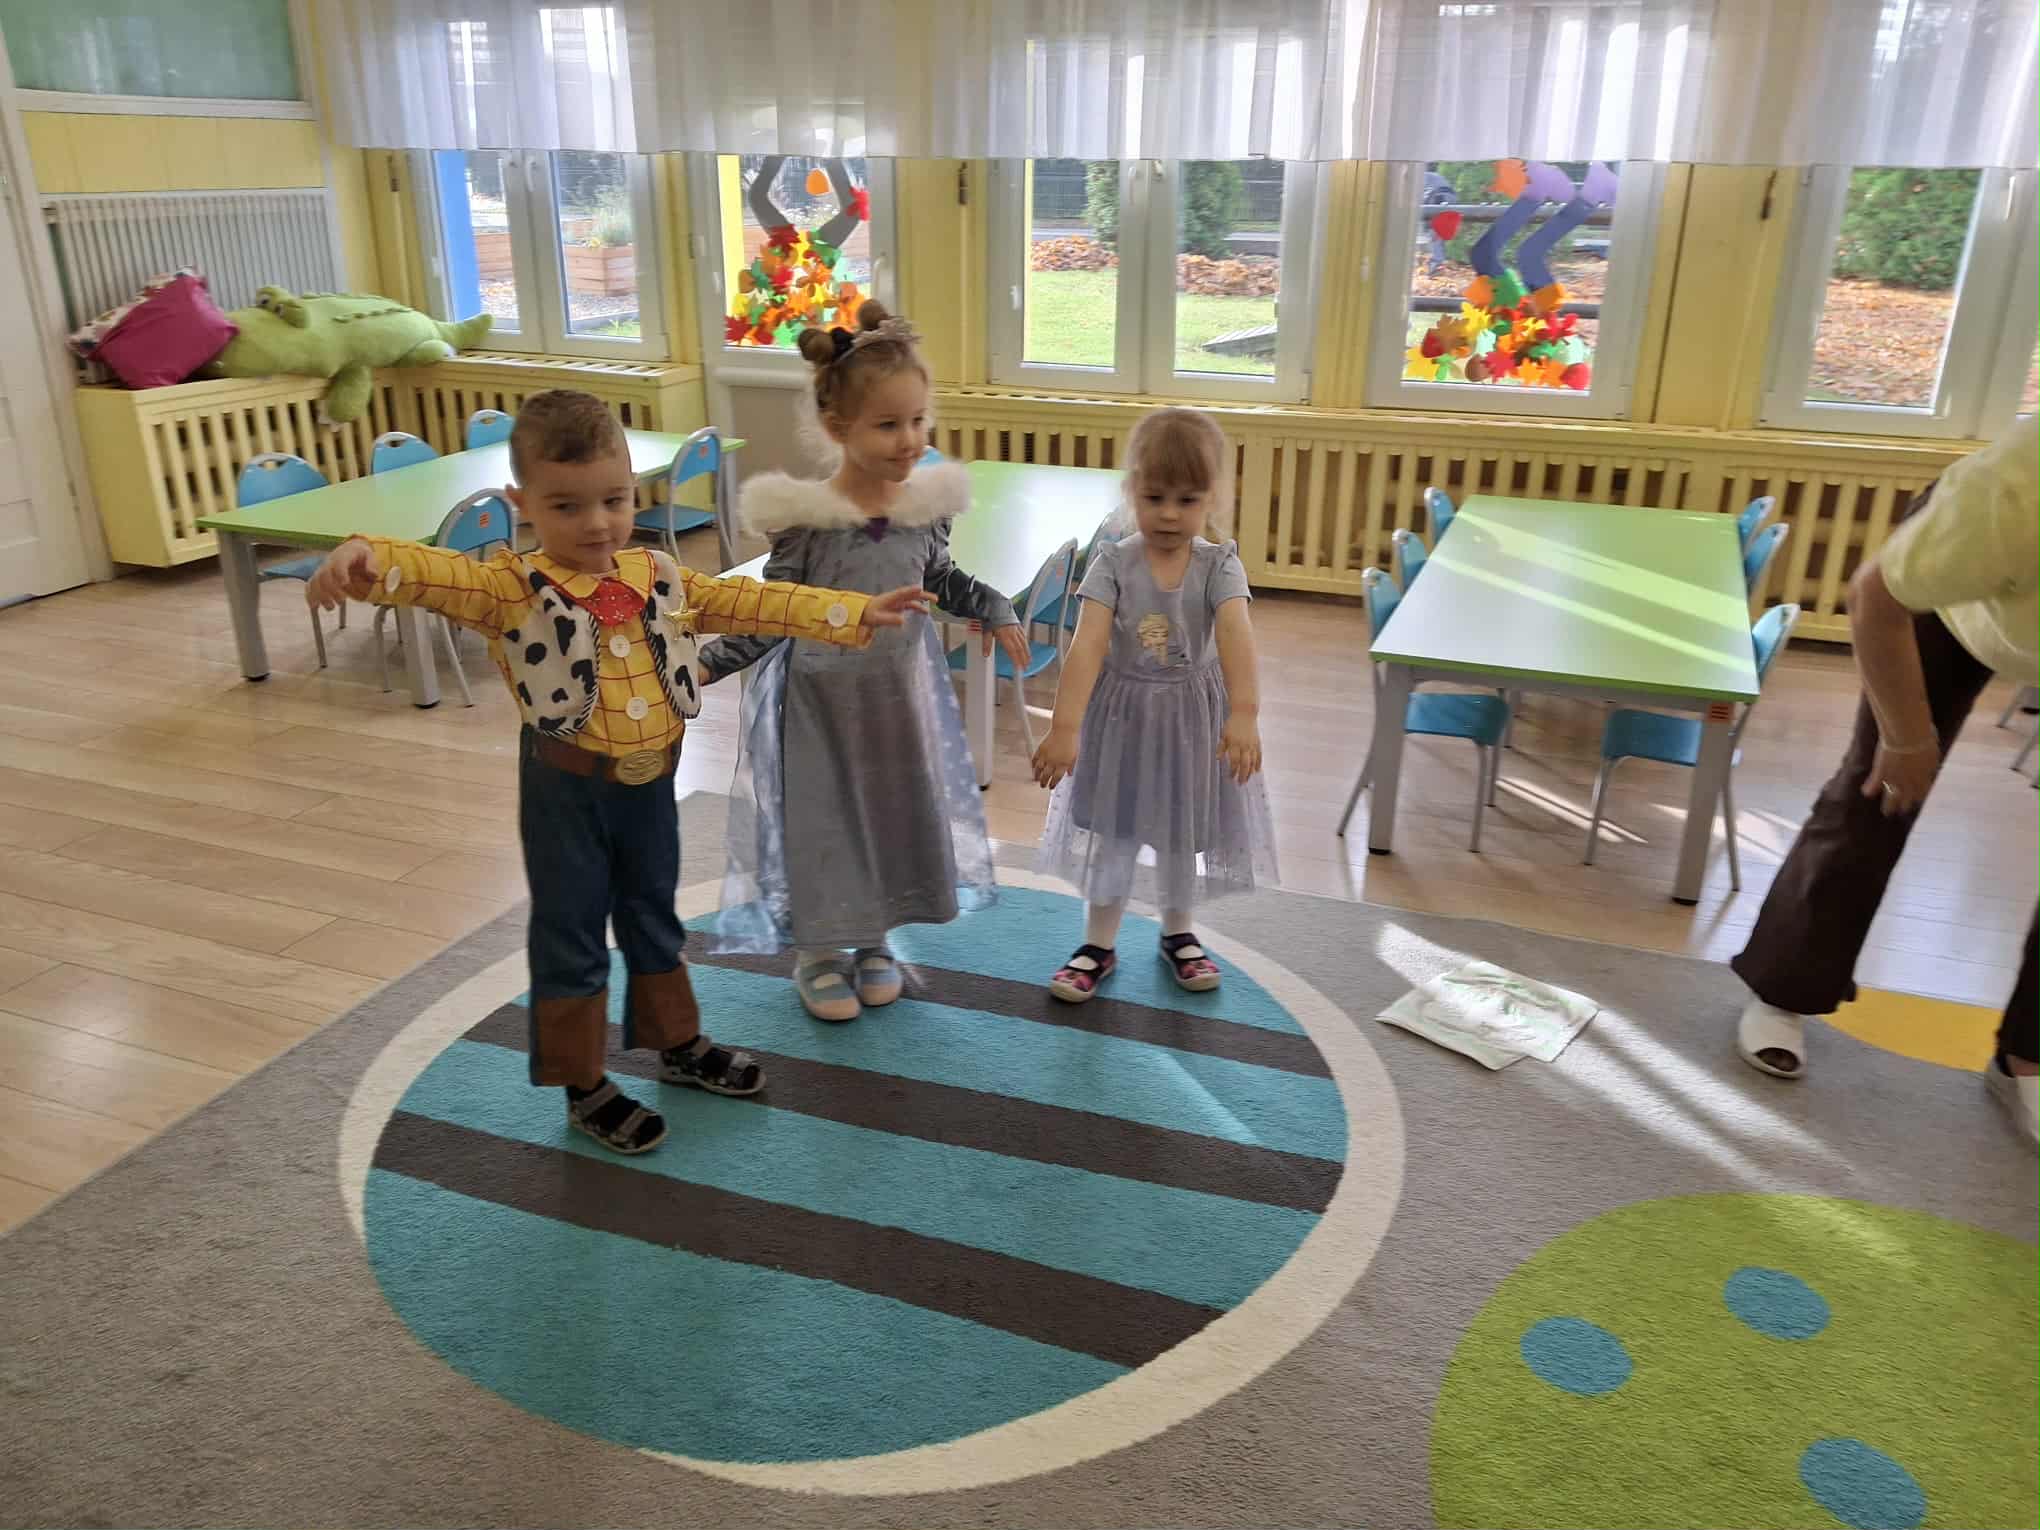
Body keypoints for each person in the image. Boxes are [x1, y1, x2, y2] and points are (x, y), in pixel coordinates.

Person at [303, 389, 933, 1154]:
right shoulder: (512, 588)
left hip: (650, 786)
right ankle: (584, 1086)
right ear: (522, 505)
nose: (597, 523)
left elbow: (744, 601)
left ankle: (677, 1044)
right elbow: (439, 575)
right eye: (566, 506)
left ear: (635, 492)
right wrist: (368, 558)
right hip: (564, 790)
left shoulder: (659, 573)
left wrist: (850, 612)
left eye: (613, 500)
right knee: (571, 932)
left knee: (652, 915)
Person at [701, 303, 1022, 1022]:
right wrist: (707, 666)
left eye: (917, 421)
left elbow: (940, 579)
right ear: (837, 426)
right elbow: (775, 609)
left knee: (887, 816)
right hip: (817, 706)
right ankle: (818, 953)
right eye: (887, 425)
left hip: (895, 702)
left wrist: (994, 606)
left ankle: (873, 936)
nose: (910, 441)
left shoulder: (924, 510)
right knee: (825, 826)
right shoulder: (809, 521)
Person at [1732, 415, 2038, 1146]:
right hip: (1936, 605)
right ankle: (1785, 990)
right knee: (1880, 795)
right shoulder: (2018, 490)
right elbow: (1878, 599)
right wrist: (1906, 738)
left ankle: (2028, 1059)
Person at [1030, 407, 1277, 1002]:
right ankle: (1098, 944)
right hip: (1121, 723)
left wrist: (1244, 715)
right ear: (1131, 490)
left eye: (1187, 500)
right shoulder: (1113, 562)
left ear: (1212, 498)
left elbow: (1237, 635)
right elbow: (1087, 645)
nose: (1169, 513)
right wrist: (1064, 727)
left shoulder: (1219, 564)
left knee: (1178, 832)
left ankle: (1178, 933)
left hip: (1193, 725)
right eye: (1154, 497)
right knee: (1115, 832)